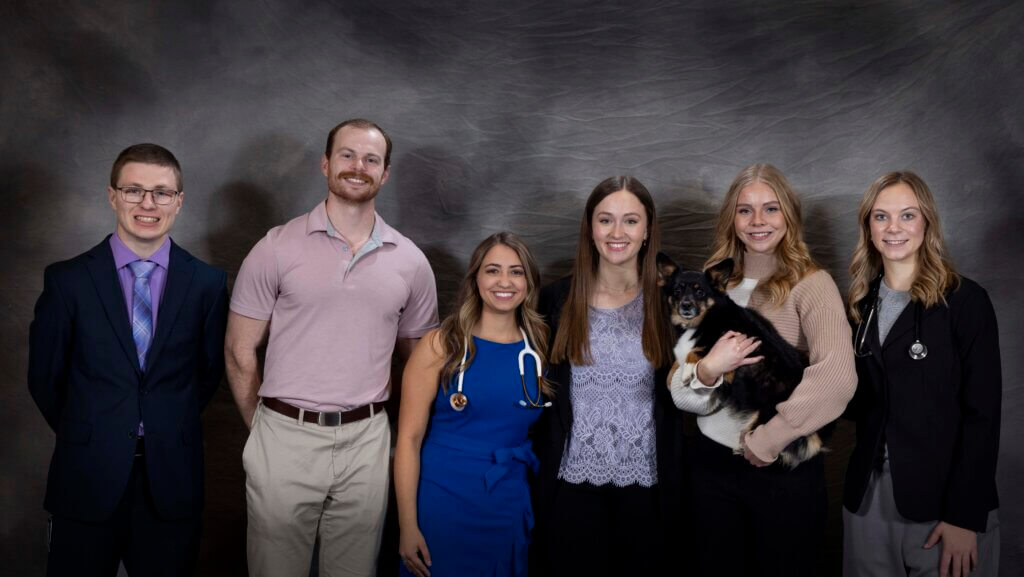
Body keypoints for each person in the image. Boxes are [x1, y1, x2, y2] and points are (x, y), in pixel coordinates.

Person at [225, 119, 439, 577]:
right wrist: (262, 429)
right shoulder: (275, 248)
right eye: (347, 155)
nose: (357, 167)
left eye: (371, 159)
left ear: (385, 175)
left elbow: (420, 364)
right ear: (325, 164)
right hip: (284, 435)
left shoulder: (411, 261)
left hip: (367, 439)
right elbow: (239, 352)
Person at [28, 143, 228, 576]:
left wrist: (161, 423)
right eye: (134, 190)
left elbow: (208, 375)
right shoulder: (68, 281)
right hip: (86, 476)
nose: (147, 204)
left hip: (170, 481)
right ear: (112, 196)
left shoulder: (208, 284)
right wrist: (93, 429)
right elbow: (45, 379)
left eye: (161, 192)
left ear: (179, 201)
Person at [667, 163, 856, 576]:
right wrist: (705, 373)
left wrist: (769, 440)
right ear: (730, 220)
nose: (757, 222)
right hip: (710, 468)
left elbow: (838, 378)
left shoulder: (812, 284)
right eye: (745, 210)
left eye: (770, 209)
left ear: (788, 215)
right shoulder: (711, 285)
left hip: (780, 468)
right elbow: (680, 387)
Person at [843, 171, 1001, 577]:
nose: (893, 228)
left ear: (927, 222)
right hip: (869, 502)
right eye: (881, 217)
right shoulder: (860, 305)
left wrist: (965, 516)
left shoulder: (966, 302)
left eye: (907, 215)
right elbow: (853, 401)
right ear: (868, 227)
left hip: (944, 504)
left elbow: (983, 416)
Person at [531, 176, 682, 576]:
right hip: (571, 483)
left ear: (648, 229)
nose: (617, 233)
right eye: (605, 220)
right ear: (589, 228)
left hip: (649, 486)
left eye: (630, 221)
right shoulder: (556, 299)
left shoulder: (671, 303)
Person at [395, 232, 551, 577]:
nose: (504, 282)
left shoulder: (540, 348)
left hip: (506, 503)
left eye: (516, 272)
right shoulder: (441, 344)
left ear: (529, 281)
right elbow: (408, 439)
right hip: (442, 501)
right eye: (493, 270)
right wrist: (407, 525)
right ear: (476, 278)